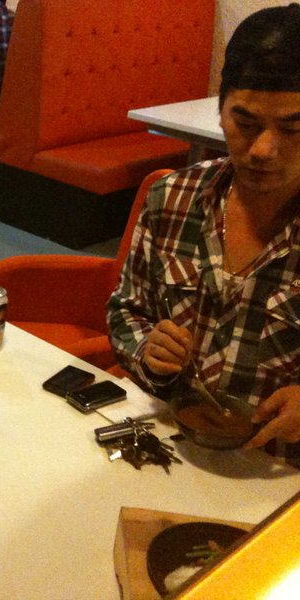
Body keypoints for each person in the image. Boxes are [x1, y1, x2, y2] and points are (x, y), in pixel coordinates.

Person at [107, 4, 300, 464]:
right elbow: (126, 310)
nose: (262, 150)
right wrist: (147, 350)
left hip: (277, 468)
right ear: (220, 111)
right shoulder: (172, 198)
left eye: (293, 129)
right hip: (172, 443)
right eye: (245, 123)